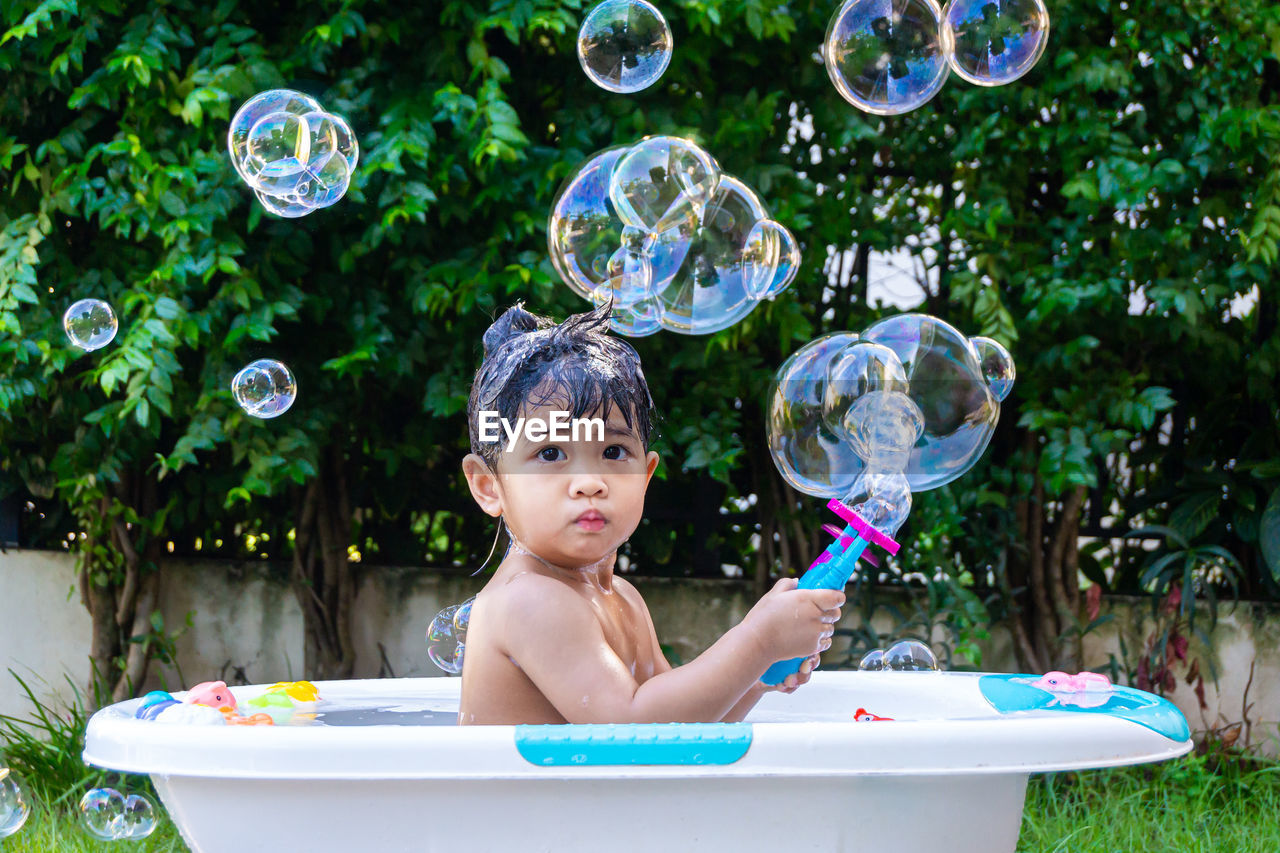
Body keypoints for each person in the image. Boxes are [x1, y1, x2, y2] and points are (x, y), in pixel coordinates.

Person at [457, 301, 844, 725]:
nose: (590, 481)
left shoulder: (623, 598)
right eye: (550, 453)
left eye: (613, 452)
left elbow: (683, 724)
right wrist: (758, 640)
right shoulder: (529, 600)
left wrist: (757, 676)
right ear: (488, 486)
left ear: (645, 474)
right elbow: (634, 727)